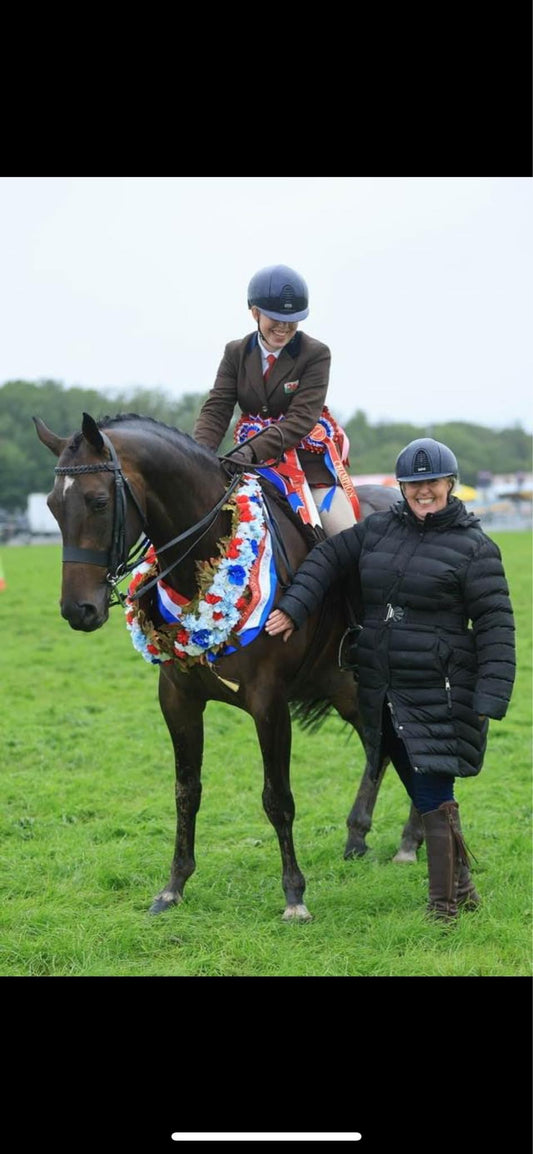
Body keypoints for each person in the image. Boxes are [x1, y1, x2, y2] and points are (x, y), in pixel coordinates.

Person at [265, 437, 516, 922]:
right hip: (381, 687)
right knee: (419, 787)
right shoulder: (377, 529)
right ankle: (462, 888)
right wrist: (295, 607)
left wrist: (491, 693)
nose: (423, 492)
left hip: (439, 685)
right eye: (414, 484)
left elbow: (496, 625)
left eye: (432, 483)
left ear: (450, 485)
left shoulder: (475, 548)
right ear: (401, 487)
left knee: (433, 792)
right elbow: (325, 561)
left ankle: (445, 909)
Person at [193, 263, 358, 535]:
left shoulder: (315, 354)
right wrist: (198, 456)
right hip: (249, 469)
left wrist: (249, 451)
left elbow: (301, 419)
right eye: (275, 319)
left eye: (291, 320)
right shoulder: (236, 352)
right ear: (255, 313)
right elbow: (217, 409)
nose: (283, 328)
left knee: (345, 536)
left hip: (307, 470)